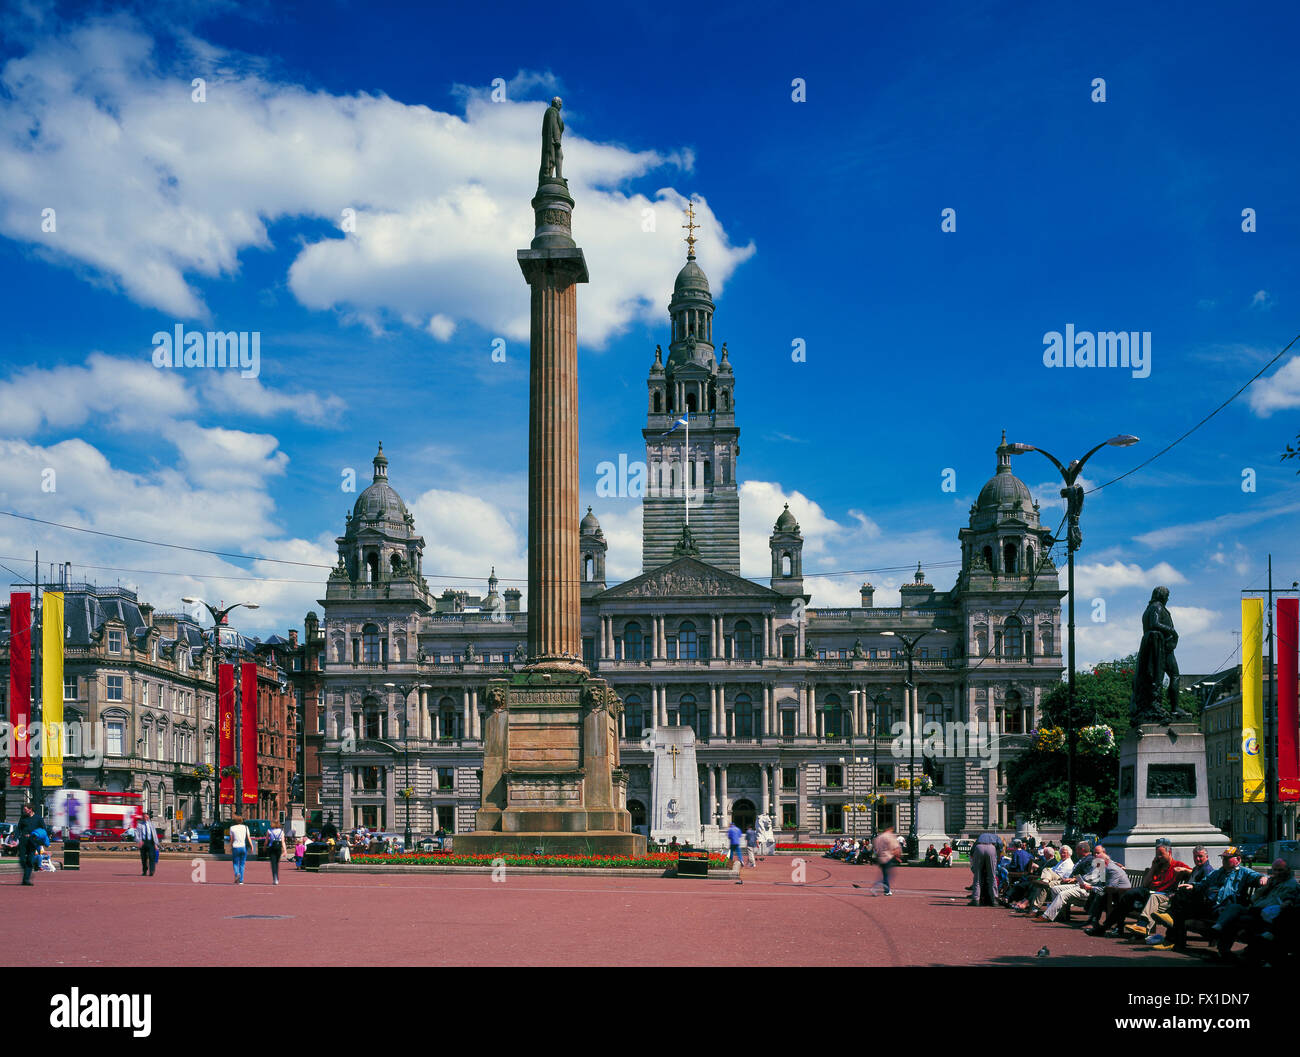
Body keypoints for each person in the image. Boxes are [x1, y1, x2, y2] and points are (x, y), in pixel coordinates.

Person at [16, 804, 45, 887]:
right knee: (22, 860)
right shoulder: (23, 818)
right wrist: (15, 839)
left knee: (29, 860)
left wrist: (36, 837)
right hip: (23, 841)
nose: (23, 811)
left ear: (30, 809)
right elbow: (18, 829)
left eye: (25, 809)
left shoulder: (39, 818)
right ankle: (27, 872)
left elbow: (43, 830)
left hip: (33, 842)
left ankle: (26, 880)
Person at [970, 831, 1000, 906]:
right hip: (991, 848)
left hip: (979, 848)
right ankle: (994, 900)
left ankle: (976, 899)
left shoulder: (980, 837)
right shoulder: (996, 837)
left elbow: (972, 851)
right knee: (992, 876)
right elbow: (1000, 846)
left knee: (977, 876)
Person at [873, 826, 902, 896]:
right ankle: (878, 888)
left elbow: (876, 848)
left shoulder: (879, 837)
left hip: (880, 858)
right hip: (888, 857)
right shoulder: (890, 836)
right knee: (889, 875)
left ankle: (885, 889)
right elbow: (895, 848)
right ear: (890, 829)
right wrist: (898, 857)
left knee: (885, 875)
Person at [226, 814, 252, 885]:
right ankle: (241, 880)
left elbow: (232, 839)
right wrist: (252, 846)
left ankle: (237, 873)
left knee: (235, 863)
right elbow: (249, 838)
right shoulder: (245, 827)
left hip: (235, 847)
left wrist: (230, 846)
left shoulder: (232, 828)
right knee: (242, 864)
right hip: (243, 847)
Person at [136, 811, 158, 878]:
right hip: (143, 842)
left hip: (151, 842)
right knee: (144, 858)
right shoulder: (139, 825)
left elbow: (154, 834)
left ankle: (152, 871)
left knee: (152, 857)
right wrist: (139, 841)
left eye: (146, 816)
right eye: (144, 816)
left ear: (148, 817)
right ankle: (144, 871)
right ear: (142, 817)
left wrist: (156, 844)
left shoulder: (151, 824)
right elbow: (137, 834)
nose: (145, 818)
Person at [265, 821, 286, 886]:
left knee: (273, 864)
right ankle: (277, 876)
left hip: (272, 848)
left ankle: (275, 878)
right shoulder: (281, 831)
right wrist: (285, 850)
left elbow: (266, 840)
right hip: (278, 848)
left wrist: (264, 847)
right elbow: (283, 841)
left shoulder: (269, 831)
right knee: (277, 863)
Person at [727, 820, 745, 884]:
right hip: (737, 842)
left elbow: (729, 836)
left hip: (732, 842)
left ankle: (731, 860)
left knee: (731, 852)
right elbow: (740, 835)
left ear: (731, 825)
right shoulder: (738, 829)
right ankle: (741, 860)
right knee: (738, 852)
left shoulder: (730, 829)